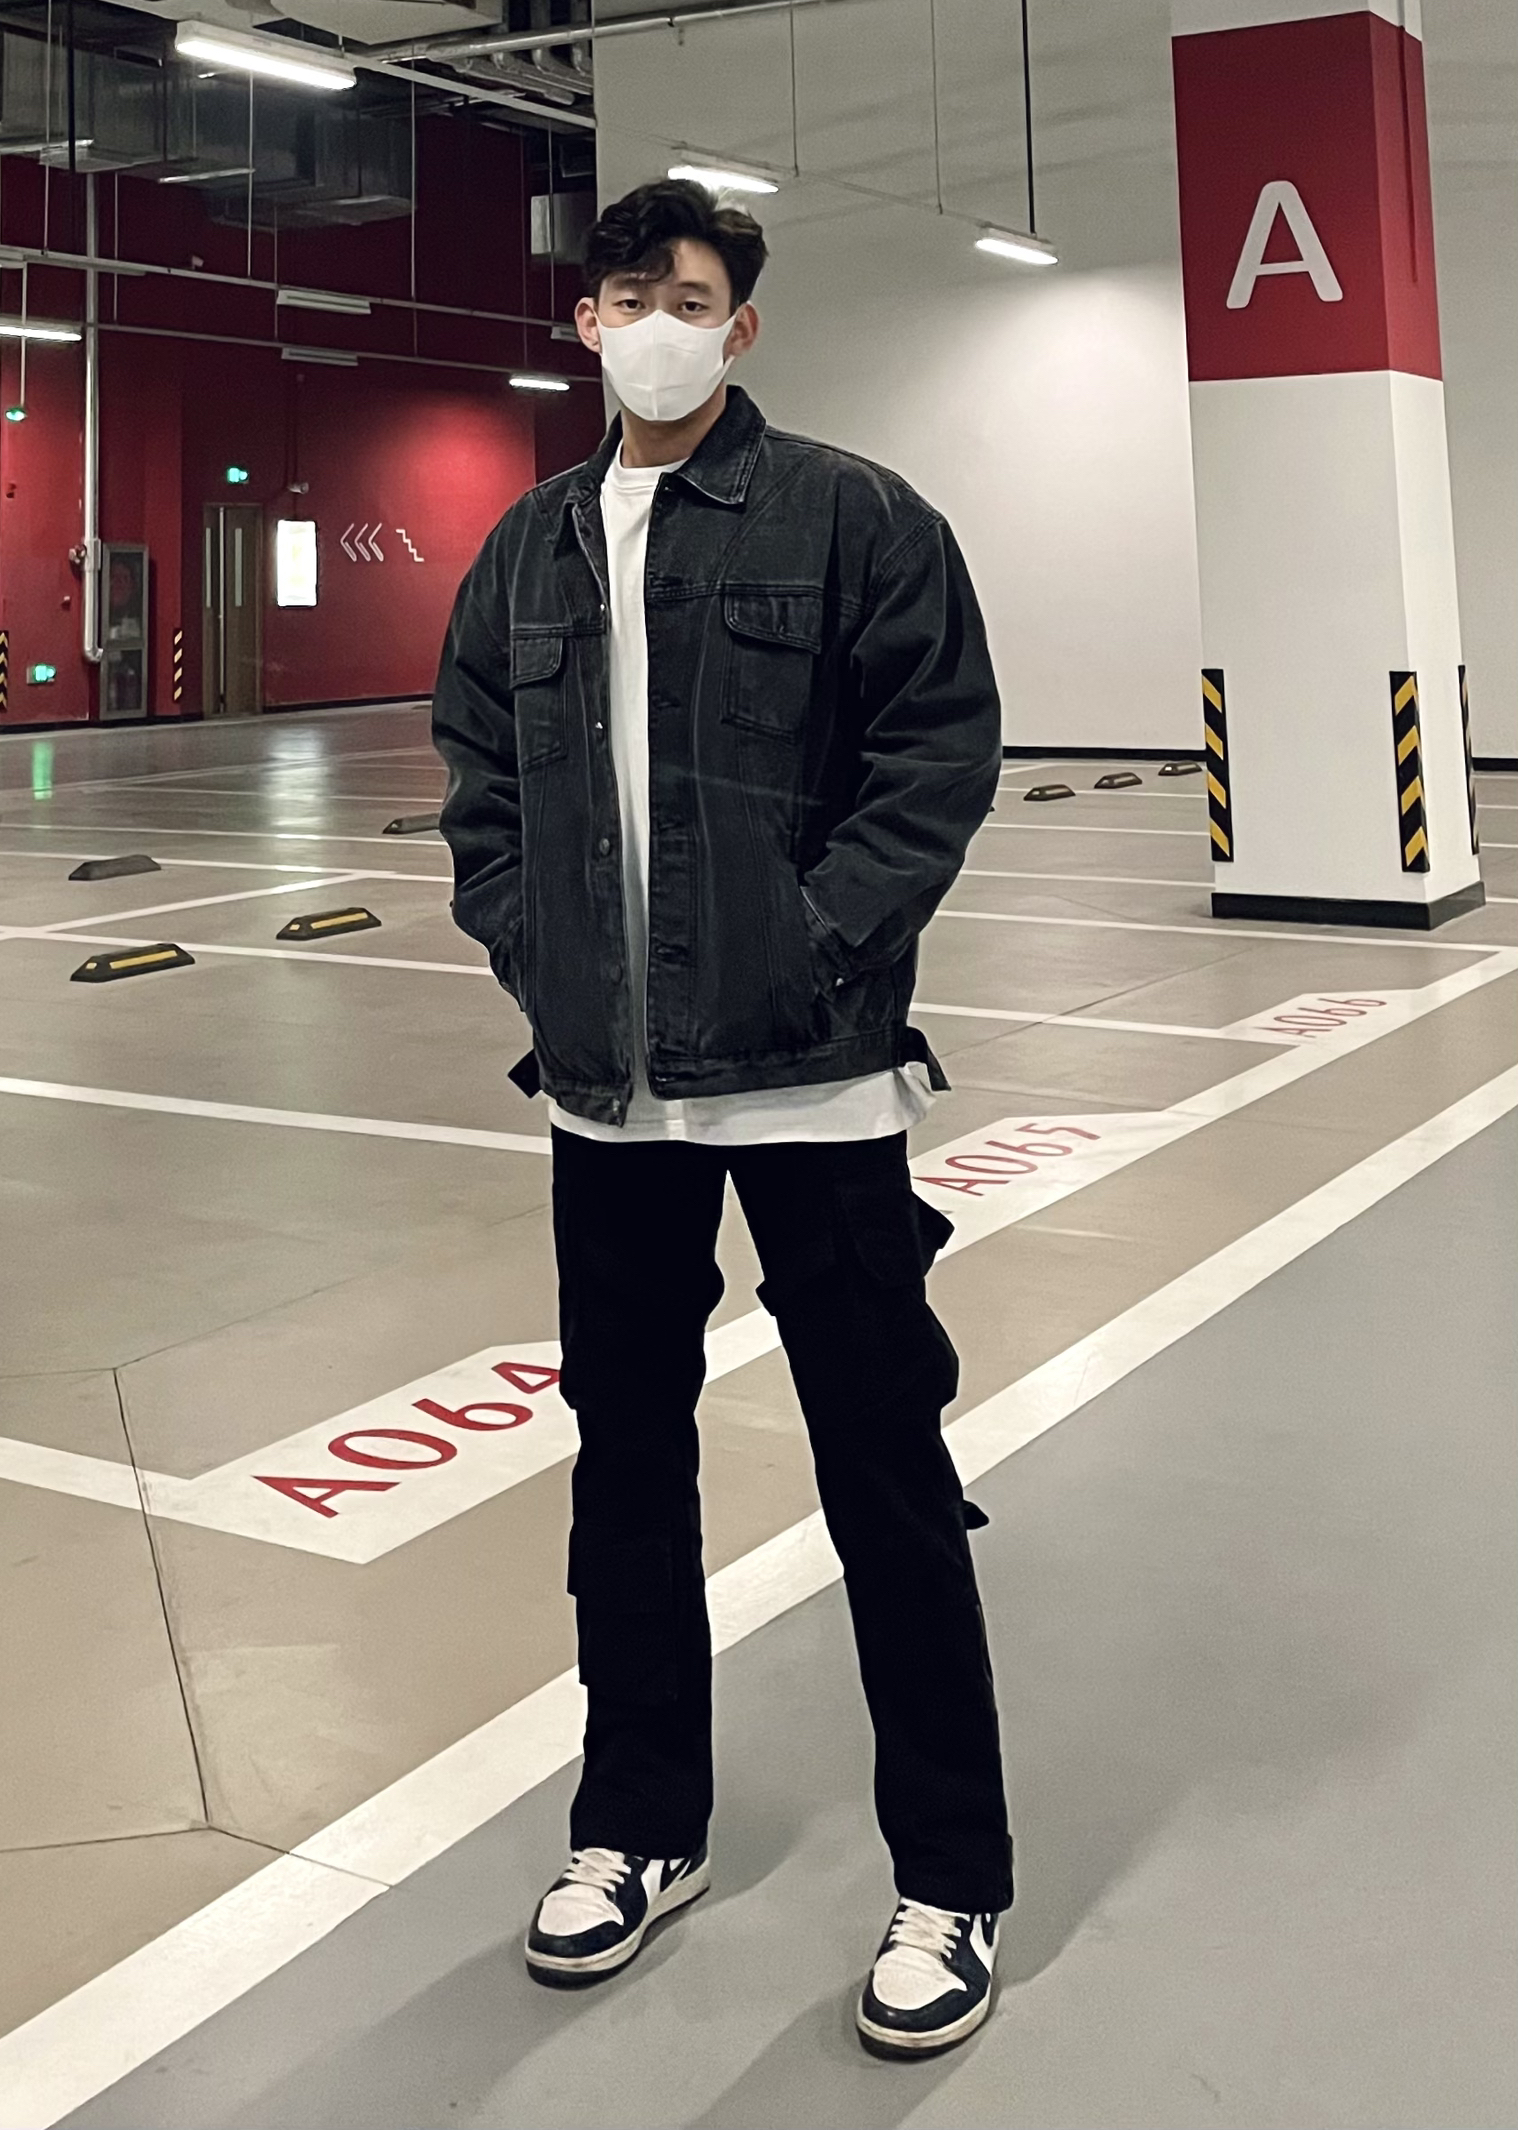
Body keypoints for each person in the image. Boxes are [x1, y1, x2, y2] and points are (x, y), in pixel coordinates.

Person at [431, 177, 1010, 2058]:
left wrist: (822, 940)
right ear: (584, 324)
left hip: (813, 1082)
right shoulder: (525, 548)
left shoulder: (854, 517)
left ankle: (951, 1874)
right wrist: (532, 944)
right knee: (624, 1467)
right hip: (605, 1101)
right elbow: (479, 777)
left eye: (688, 297)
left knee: (881, 1468)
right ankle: (636, 1829)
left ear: (738, 326)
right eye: (626, 296)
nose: (655, 324)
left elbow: (936, 751)